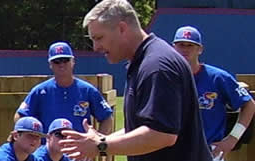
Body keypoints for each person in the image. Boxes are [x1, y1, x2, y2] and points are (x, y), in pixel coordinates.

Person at [59, 0, 213, 161]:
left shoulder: (156, 66)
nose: (96, 47)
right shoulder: (144, 62)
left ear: (122, 28)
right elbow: (140, 128)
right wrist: (102, 139)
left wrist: (101, 146)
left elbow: (161, 134)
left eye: (99, 38)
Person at [172, 26, 255, 160]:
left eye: (190, 45)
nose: (185, 49)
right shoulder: (166, 78)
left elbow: (249, 104)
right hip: (174, 151)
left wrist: (232, 139)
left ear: (200, 49)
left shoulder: (218, 78)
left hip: (210, 151)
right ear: (173, 47)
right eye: (181, 45)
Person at [14, 41, 114, 138]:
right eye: (56, 61)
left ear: (73, 62)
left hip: (78, 150)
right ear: (50, 64)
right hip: (47, 151)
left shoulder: (87, 90)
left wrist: (97, 142)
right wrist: (30, 139)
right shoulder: (40, 91)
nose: (61, 64)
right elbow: (20, 116)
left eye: (65, 60)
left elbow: (107, 118)